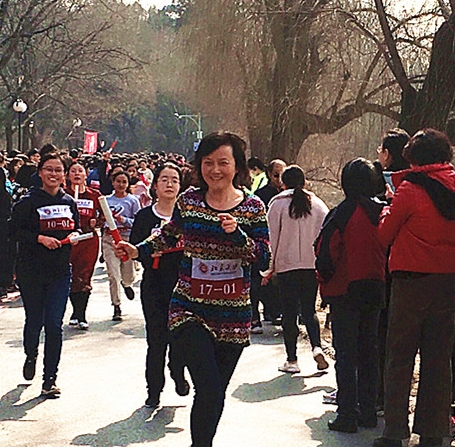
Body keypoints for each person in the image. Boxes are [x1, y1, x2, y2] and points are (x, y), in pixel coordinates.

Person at [115, 131, 270, 447]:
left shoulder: (253, 207)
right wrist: (137, 250)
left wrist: (238, 235)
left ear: (237, 166)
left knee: (214, 392)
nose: (215, 170)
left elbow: (263, 256)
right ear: (199, 166)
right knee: (208, 386)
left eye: (223, 162)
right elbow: (168, 236)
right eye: (208, 163)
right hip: (189, 308)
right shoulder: (189, 201)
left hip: (233, 316)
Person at [374, 129, 455, 447]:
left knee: (400, 356)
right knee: (439, 357)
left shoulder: (409, 189)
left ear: (414, 158)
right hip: (448, 281)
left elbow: (384, 234)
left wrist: (386, 208)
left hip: (411, 280)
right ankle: (434, 431)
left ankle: (395, 431)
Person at [315, 158, 386, 433]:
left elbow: (326, 254)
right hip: (376, 287)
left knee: (346, 354)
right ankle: (368, 411)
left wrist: (324, 281)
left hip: (345, 290)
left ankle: (347, 413)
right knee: (369, 351)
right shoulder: (383, 211)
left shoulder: (341, 213)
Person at [9, 153, 80, 397]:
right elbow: (13, 231)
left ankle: (50, 379)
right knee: (35, 322)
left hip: (60, 272)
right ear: (39, 173)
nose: (53, 174)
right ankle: (31, 355)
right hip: (31, 271)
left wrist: (75, 235)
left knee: (54, 325)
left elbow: (76, 227)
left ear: (64, 174)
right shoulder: (27, 202)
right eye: (48, 169)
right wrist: (39, 238)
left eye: (58, 170)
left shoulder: (69, 201)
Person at [130, 162, 188, 408]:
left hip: (184, 287)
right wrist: (147, 253)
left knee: (181, 337)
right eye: (164, 179)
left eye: (174, 180)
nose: (169, 184)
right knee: (156, 340)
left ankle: (178, 372)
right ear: (155, 185)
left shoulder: (186, 217)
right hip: (154, 285)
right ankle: (153, 390)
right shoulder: (145, 216)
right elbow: (135, 249)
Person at [264, 165, 329, 373]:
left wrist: (269, 268)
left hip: (287, 266)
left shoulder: (277, 204)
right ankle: (317, 347)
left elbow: (271, 238)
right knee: (309, 310)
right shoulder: (318, 205)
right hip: (311, 266)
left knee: (289, 313)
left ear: (283, 183)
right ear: (305, 182)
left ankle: (292, 361)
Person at [374, 128, 410, 414]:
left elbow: (384, 233)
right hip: (422, 273)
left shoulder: (383, 183)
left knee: (384, 335)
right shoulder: (427, 183)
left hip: (387, 268)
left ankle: (382, 397)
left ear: (387, 154)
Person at [250, 158, 286, 332]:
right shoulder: (261, 195)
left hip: (284, 243)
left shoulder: (290, 195)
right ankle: (255, 317)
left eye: (282, 175)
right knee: (258, 281)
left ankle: (275, 312)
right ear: (269, 175)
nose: (279, 179)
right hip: (265, 243)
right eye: (276, 175)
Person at [66, 161, 101, 330]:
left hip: (89, 241)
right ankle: (75, 311)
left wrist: (97, 222)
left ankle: (81, 314)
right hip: (70, 241)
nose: (76, 174)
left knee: (84, 275)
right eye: (73, 171)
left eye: (80, 171)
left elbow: (104, 216)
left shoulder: (94, 195)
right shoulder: (63, 194)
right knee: (71, 275)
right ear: (68, 175)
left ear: (86, 175)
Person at [101, 170, 140, 321]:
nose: (121, 185)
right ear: (113, 182)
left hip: (127, 239)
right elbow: (100, 218)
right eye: (118, 181)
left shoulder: (133, 201)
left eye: (124, 182)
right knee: (113, 273)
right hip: (110, 239)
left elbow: (138, 222)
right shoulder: (106, 200)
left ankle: (127, 284)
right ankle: (116, 305)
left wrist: (123, 220)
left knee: (128, 274)